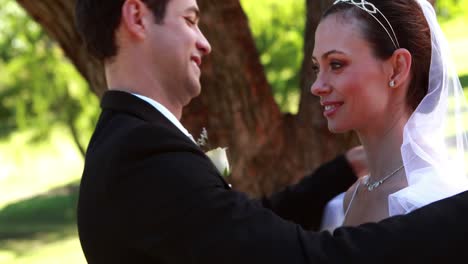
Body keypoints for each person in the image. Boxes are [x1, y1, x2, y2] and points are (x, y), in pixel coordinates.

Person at [76, 0, 468, 263]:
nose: (205, 42)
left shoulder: (130, 143)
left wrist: (336, 172)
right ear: (137, 16)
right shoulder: (144, 155)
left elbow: (239, 227)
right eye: (191, 19)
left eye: (336, 64)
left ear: (397, 69)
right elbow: (299, 255)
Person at [312, 0, 468, 231]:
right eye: (316, 67)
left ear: (397, 68)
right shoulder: (352, 197)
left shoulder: (428, 202)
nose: (316, 86)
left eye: (336, 64)